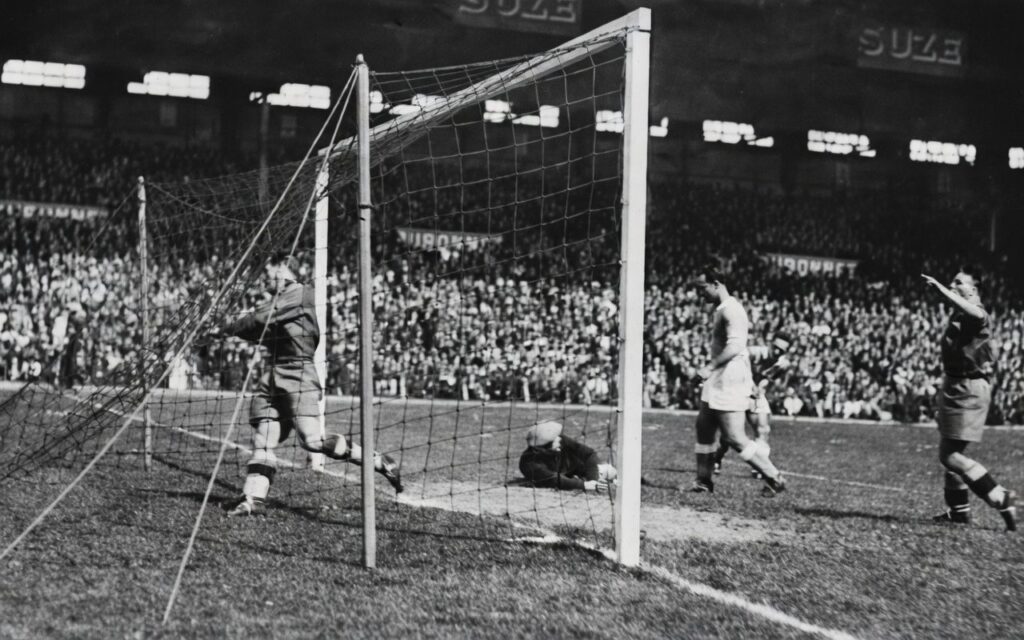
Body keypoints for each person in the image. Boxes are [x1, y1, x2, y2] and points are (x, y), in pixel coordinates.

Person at [219, 253, 402, 517]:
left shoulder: (299, 293)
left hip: (298, 373)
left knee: (312, 440)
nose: (266, 276)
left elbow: (258, 319)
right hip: (273, 373)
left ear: (285, 270)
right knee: (263, 437)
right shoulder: (278, 302)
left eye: (271, 269)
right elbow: (253, 328)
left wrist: (226, 327)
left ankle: (379, 461)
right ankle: (253, 498)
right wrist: (223, 329)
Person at [922, 271, 1015, 531]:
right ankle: (959, 512)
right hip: (955, 385)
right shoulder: (960, 313)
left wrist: (941, 290)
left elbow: (977, 314)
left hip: (968, 388)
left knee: (951, 456)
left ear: (973, 290)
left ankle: (1000, 497)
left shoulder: (976, 313)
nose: (952, 285)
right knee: (950, 452)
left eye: (958, 282)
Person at [686, 266, 786, 496]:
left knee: (734, 437)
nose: (700, 293)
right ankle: (703, 481)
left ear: (716, 284)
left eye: (702, 288)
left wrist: (709, 367)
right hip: (718, 379)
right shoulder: (722, 309)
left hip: (729, 378)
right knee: (704, 427)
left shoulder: (732, 310)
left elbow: (736, 346)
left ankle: (774, 477)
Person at [712, 332, 793, 478]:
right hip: (738, 390)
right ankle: (716, 458)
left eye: (781, 350)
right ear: (770, 344)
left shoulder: (783, 364)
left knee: (763, 429)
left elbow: (768, 379)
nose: (776, 352)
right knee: (729, 435)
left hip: (754, 394)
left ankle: (759, 467)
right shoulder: (754, 352)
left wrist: (761, 388)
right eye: (775, 347)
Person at [518, 421, 616, 493]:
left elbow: (589, 454)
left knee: (611, 471)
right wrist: (584, 485)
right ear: (544, 447)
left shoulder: (562, 440)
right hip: (559, 478)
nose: (559, 439)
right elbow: (553, 480)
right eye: (554, 439)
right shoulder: (528, 462)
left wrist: (593, 480)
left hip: (578, 470)